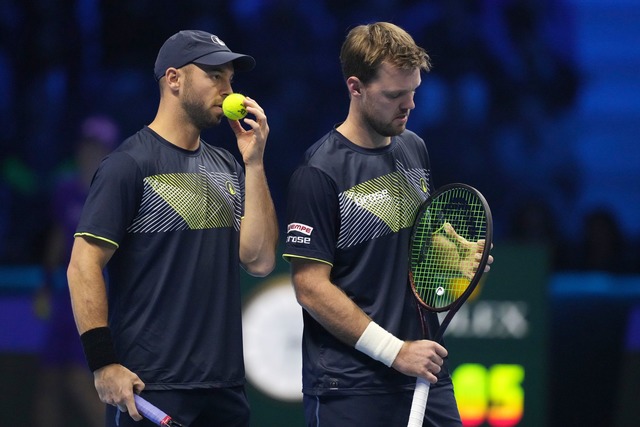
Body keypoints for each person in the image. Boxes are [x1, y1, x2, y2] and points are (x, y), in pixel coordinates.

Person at [283, 22, 493, 427]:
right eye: (395, 95)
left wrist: (456, 255)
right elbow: (310, 288)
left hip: (423, 375)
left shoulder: (414, 147)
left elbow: (417, 240)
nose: (409, 105)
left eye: (413, 91)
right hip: (351, 384)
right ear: (356, 87)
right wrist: (395, 351)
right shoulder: (318, 172)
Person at [66, 30, 278, 427]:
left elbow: (261, 259)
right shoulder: (128, 165)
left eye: (230, 78)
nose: (228, 90)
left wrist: (255, 163)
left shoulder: (229, 167)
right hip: (151, 388)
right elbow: (82, 265)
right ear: (174, 79)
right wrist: (103, 363)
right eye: (215, 75)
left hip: (224, 388)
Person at [32, 115, 118, 427]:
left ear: (109, 152)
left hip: (97, 294)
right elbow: (57, 237)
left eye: (99, 147)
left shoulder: (113, 191)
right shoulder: (65, 189)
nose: (90, 153)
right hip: (62, 296)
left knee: (80, 378)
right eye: (87, 145)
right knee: (50, 378)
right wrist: (44, 282)